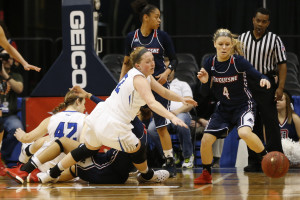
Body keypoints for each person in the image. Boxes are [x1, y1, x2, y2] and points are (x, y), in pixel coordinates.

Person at [36, 47, 197, 184]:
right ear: (138, 65)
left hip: (103, 119)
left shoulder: (139, 76)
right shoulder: (139, 82)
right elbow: (153, 103)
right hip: (111, 134)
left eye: (153, 60)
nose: (153, 63)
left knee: (85, 149)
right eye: (148, 61)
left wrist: (181, 98)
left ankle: (48, 173)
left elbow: (163, 92)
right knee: (135, 148)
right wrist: (172, 116)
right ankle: (148, 175)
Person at [194, 28, 270, 184]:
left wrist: (264, 79)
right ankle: (207, 174)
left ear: (231, 45)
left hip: (244, 105)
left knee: (244, 133)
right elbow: (204, 94)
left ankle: (267, 159)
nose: (224, 47)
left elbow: (256, 74)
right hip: (224, 108)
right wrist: (204, 82)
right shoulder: (210, 63)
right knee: (206, 140)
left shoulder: (238, 61)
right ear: (214, 44)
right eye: (220, 44)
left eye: (227, 44)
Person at [121, 0, 179, 177]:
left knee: (161, 126)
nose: (159, 20)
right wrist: (120, 84)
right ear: (145, 18)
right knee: (132, 124)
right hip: (136, 85)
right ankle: (135, 161)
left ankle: (170, 161)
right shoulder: (132, 37)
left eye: (159, 18)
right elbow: (126, 63)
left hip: (158, 84)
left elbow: (175, 59)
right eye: (156, 17)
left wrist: (166, 73)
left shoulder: (162, 37)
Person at [239, 7, 287, 172]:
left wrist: (280, 87)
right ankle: (255, 161)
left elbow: (282, 65)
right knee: (251, 123)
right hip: (247, 84)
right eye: (258, 20)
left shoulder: (274, 39)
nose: (260, 24)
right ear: (253, 20)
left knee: (271, 122)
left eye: (264, 21)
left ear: (268, 23)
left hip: (267, 81)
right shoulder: (242, 38)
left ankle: (276, 159)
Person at [4, 90, 87, 183]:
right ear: (78, 102)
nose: (84, 107)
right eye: (84, 103)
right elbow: (83, 148)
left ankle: (26, 157)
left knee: (46, 139)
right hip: (67, 169)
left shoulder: (52, 118)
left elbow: (27, 138)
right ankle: (39, 175)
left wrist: (22, 136)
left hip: (45, 163)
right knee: (82, 151)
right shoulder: (85, 119)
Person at [148, 69, 194, 168]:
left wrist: (175, 113)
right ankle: (170, 157)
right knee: (151, 129)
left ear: (173, 71)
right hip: (163, 114)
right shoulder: (155, 85)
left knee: (181, 124)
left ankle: (188, 156)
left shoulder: (182, 84)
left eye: (168, 70)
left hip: (180, 113)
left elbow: (190, 103)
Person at [0, 49, 26, 167]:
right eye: (4, 57)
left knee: (17, 129)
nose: (7, 60)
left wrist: (5, 75)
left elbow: (19, 89)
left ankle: (2, 156)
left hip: (9, 115)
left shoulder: (16, 76)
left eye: (9, 58)